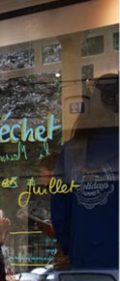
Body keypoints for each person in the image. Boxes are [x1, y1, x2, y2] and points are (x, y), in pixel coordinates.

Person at [51, 73, 119, 269]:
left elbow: (59, 213)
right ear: (117, 101)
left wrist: (70, 247)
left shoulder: (73, 151)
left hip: (84, 264)